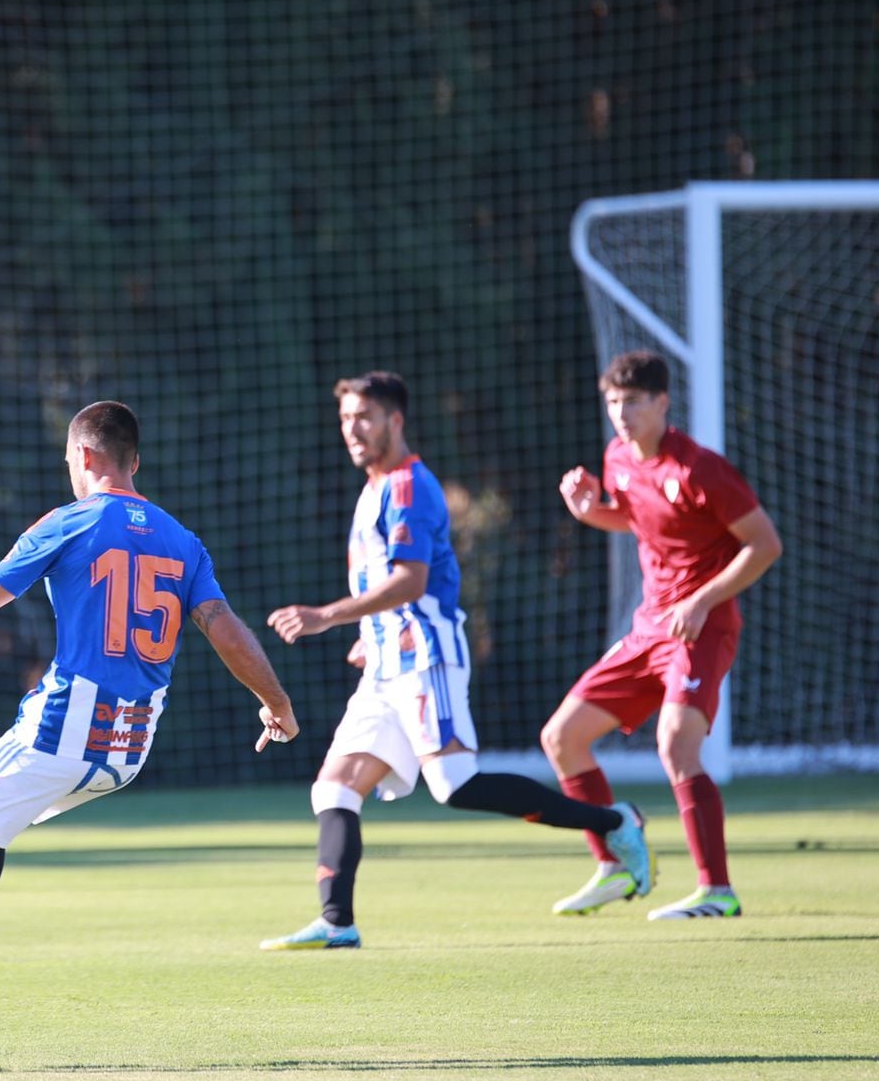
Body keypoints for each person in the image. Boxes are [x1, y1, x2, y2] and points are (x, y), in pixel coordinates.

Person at [0, 400, 298, 1073]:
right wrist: (277, 702)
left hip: (66, 725)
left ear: (85, 458)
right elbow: (226, 630)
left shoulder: (69, 522)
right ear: (135, 462)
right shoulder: (183, 540)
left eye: (70, 460)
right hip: (129, 746)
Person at [258, 373, 653, 949]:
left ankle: (615, 822)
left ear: (396, 420)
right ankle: (337, 922)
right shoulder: (373, 490)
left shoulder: (410, 487)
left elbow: (411, 581)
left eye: (364, 416)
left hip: (426, 659)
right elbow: (388, 586)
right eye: (346, 419)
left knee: (455, 784)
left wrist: (327, 615)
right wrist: (370, 633)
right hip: (384, 665)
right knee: (335, 786)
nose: (353, 429)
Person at [543, 350, 783, 920]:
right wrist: (588, 512)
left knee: (676, 744)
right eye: (613, 403)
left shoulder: (700, 468)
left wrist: (702, 600)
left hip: (703, 624)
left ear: (662, 403)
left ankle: (716, 891)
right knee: (562, 738)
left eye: (632, 402)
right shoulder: (618, 459)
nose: (621, 414)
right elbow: (634, 518)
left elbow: (765, 545)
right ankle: (613, 865)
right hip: (650, 626)